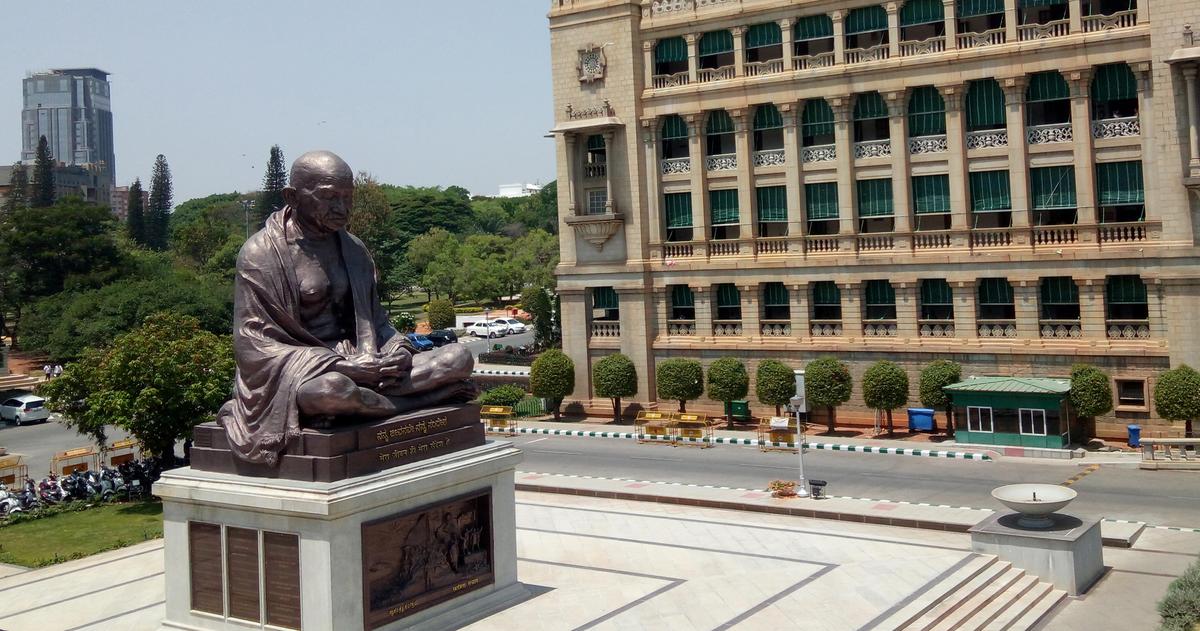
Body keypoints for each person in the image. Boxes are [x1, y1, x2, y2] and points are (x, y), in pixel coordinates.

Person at [218, 151, 475, 466]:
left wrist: (399, 350)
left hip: (370, 363)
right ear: (293, 197)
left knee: (458, 357)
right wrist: (340, 366)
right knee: (332, 391)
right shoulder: (261, 255)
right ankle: (429, 398)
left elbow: (377, 321)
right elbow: (252, 344)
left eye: (347, 197)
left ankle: (374, 402)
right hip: (311, 374)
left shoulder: (353, 248)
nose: (341, 208)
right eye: (328, 198)